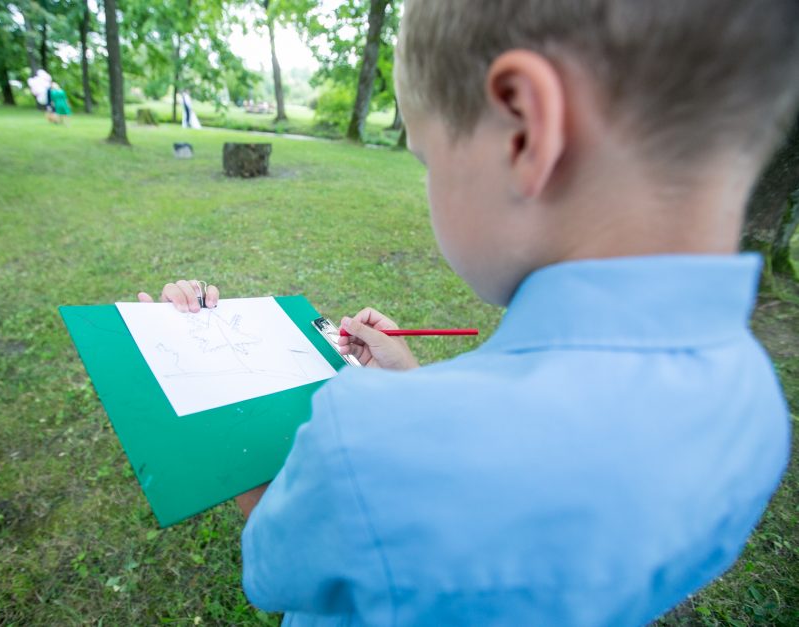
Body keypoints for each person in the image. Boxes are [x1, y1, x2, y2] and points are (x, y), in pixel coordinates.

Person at [138, 0, 799, 624]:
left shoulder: (366, 445)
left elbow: (270, 570)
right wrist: (412, 387)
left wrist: (227, 410)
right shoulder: (758, 409)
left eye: (427, 158)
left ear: (523, 130)